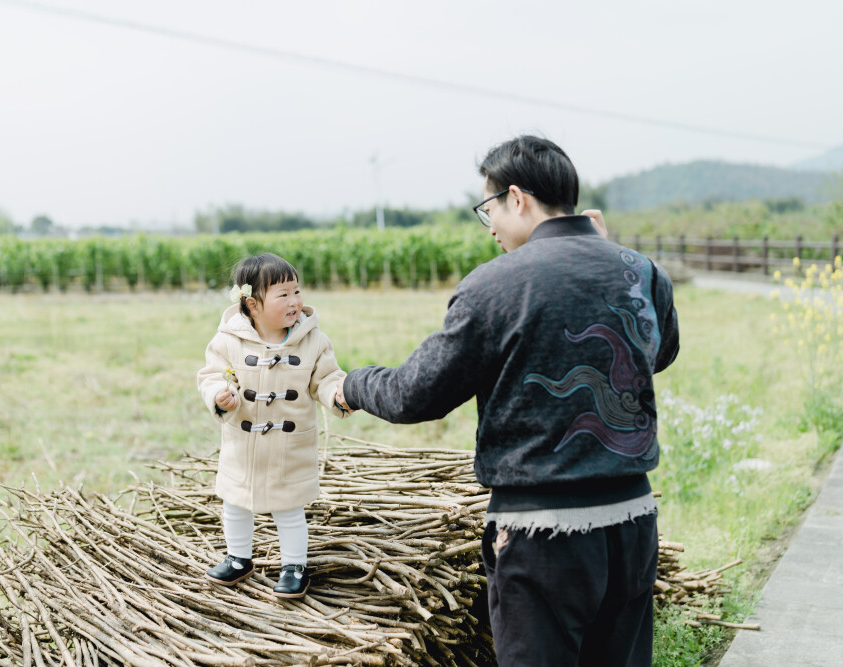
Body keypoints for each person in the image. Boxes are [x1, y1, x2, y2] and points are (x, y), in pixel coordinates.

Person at [335, 135, 679, 666]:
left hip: (542, 536)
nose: (490, 225)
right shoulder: (641, 271)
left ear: (516, 198)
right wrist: (608, 262)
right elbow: (657, 354)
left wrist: (351, 385)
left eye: (487, 208)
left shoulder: (493, 286)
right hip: (633, 519)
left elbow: (415, 395)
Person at [197, 252, 349, 599]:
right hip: (242, 444)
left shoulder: (313, 341)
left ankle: (294, 565)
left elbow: (325, 379)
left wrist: (337, 394)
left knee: (289, 508)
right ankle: (239, 558)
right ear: (252, 303)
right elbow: (212, 376)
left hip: (289, 447)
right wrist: (221, 394)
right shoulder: (228, 340)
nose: (295, 301)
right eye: (283, 294)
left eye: (297, 291)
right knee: (235, 503)